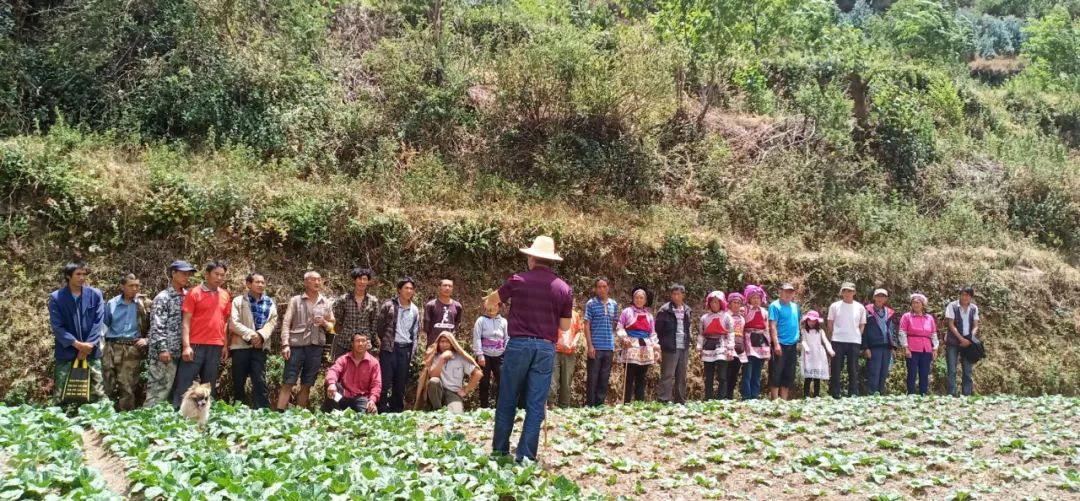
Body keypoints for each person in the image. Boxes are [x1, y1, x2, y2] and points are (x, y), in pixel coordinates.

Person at [486, 236, 573, 463]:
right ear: (551, 261)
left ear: (532, 258)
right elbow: (564, 326)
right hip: (545, 347)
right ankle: (525, 456)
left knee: (507, 398)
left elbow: (490, 302)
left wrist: (499, 303)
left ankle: (500, 450)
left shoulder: (518, 280)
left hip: (519, 344)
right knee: (536, 404)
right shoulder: (564, 289)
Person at [173, 261, 232, 409]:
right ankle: (176, 415)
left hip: (215, 346)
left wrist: (224, 345)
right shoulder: (194, 292)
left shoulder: (225, 295)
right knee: (185, 383)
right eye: (216, 274)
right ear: (207, 274)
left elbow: (224, 322)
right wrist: (186, 346)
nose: (219, 278)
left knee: (209, 385)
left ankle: (205, 418)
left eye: (222, 275)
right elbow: (185, 321)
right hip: (195, 345)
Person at [49, 261, 107, 405]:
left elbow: (98, 322)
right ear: (68, 276)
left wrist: (89, 345)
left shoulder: (95, 294)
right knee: (61, 394)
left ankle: (99, 423)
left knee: (97, 392)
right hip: (67, 351)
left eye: (84, 274)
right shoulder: (57, 297)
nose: (82, 277)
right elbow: (57, 326)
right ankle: (59, 423)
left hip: (91, 351)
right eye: (78, 274)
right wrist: (77, 345)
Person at [277, 271, 335, 411]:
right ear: (305, 282)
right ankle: (278, 414)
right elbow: (286, 323)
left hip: (315, 348)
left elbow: (332, 326)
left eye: (319, 280)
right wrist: (285, 344)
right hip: (296, 346)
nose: (317, 282)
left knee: (307, 384)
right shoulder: (296, 300)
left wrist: (324, 323)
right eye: (313, 279)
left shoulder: (326, 302)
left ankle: (299, 416)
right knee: (288, 382)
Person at [145, 260, 194, 408]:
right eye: (183, 273)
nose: (187, 277)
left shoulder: (188, 295)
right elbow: (156, 326)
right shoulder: (163, 297)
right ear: (173, 273)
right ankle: (147, 422)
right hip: (165, 353)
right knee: (158, 390)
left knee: (177, 391)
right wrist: (162, 349)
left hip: (181, 352)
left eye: (188, 274)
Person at [102, 273, 151, 410]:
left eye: (137, 286)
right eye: (131, 286)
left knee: (128, 386)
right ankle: (103, 414)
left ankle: (126, 417)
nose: (134, 289)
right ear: (122, 287)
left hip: (131, 348)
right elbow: (103, 328)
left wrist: (147, 339)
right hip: (111, 346)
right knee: (106, 383)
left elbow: (157, 325)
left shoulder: (144, 304)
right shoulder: (112, 303)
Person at [228, 272, 277, 409]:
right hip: (240, 346)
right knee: (238, 380)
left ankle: (262, 410)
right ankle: (238, 408)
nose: (261, 285)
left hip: (259, 347)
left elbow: (272, 322)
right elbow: (233, 323)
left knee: (260, 380)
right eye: (257, 282)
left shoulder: (269, 302)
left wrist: (261, 336)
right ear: (248, 284)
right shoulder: (239, 301)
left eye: (263, 282)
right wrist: (251, 335)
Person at [376, 277, 420, 414]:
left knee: (400, 382)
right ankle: (381, 408)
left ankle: (397, 410)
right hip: (389, 348)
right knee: (385, 380)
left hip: (405, 349)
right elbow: (379, 327)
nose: (409, 291)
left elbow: (415, 331)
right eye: (406, 288)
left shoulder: (415, 309)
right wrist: (383, 343)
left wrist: (412, 351)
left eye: (411, 288)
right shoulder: (388, 305)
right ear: (399, 290)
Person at [417, 331, 482, 413]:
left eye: (447, 342)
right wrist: (442, 358)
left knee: (456, 414)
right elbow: (433, 375)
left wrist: (465, 390)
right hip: (438, 392)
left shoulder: (460, 357)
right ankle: (437, 410)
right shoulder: (434, 357)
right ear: (438, 343)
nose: (444, 344)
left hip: (453, 393)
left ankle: (448, 410)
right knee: (434, 381)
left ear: (452, 343)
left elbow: (478, 373)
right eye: (442, 341)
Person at [616, 288, 661, 403]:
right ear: (633, 299)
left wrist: (655, 346)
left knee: (641, 377)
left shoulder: (649, 315)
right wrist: (624, 337)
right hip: (631, 346)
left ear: (645, 300)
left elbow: (652, 332)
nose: (639, 300)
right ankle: (626, 402)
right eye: (636, 297)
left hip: (645, 348)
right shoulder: (627, 312)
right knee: (629, 376)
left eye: (641, 298)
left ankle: (639, 403)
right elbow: (620, 327)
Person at [827, 282, 867, 398]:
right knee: (836, 368)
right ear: (841, 292)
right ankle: (835, 394)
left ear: (854, 292)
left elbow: (862, 324)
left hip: (854, 341)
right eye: (845, 291)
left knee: (853, 369)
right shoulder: (834, 306)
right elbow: (830, 322)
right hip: (838, 340)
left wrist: (857, 335)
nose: (847, 293)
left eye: (850, 291)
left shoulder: (860, 307)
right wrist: (832, 335)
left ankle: (853, 394)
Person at [324, 334, 381, 414]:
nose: (360, 343)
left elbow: (376, 384)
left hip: (362, 398)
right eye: (358, 341)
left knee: (372, 413)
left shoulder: (374, 363)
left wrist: (372, 400)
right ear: (352, 344)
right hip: (343, 397)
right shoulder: (344, 359)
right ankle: (335, 415)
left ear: (367, 344)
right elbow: (333, 371)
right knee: (332, 388)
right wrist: (331, 384)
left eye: (363, 341)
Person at [583, 277, 618, 407]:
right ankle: (590, 405)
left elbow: (615, 323)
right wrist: (590, 345)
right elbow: (586, 325)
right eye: (599, 287)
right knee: (593, 377)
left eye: (604, 286)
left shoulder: (613, 304)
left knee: (604, 378)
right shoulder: (591, 304)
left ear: (608, 288)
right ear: (595, 289)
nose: (602, 289)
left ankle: (599, 405)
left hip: (609, 347)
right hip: (595, 348)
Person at [331, 267, 379, 360]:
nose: (362, 282)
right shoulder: (344, 299)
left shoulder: (373, 301)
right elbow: (338, 320)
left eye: (365, 279)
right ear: (354, 280)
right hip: (345, 342)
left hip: (364, 343)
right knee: (342, 371)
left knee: (363, 372)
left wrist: (371, 340)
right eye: (359, 279)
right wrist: (344, 333)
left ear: (368, 282)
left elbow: (374, 323)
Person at [656, 284, 692, 404]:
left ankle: (680, 400)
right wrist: (662, 345)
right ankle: (663, 399)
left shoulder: (687, 310)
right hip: (670, 346)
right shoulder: (665, 310)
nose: (676, 297)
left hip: (683, 346)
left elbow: (687, 328)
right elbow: (658, 330)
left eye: (679, 294)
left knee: (682, 375)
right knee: (668, 374)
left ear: (683, 295)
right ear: (671, 295)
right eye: (674, 294)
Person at [898, 293, 938, 395]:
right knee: (912, 373)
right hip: (912, 348)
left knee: (924, 373)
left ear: (923, 304)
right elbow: (902, 332)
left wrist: (935, 348)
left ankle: (923, 394)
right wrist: (906, 347)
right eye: (913, 303)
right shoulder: (907, 316)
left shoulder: (929, 318)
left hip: (926, 349)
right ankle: (911, 394)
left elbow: (933, 333)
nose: (915, 305)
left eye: (918, 302)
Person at [944, 286, 980, 397]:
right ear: (960, 295)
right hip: (953, 341)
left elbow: (975, 326)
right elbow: (951, 324)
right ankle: (951, 394)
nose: (965, 297)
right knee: (952, 369)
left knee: (968, 370)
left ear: (971, 297)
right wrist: (961, 339)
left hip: (968, 343)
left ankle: (967, 395)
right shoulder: (952, 306)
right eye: (963, 294)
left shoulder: (974, 308)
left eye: (967, 295)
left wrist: (969, 339)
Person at [768, 283, 801, 400]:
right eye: (786, 291)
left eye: (790, 292)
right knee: (776, 372)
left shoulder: (795, 307)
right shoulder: (774, 306)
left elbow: (797, 323)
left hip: (792, 344)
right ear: (780, 291)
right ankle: (775, 400)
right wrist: (776, 344)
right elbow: (772, 326)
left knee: (789, 373)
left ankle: (784, 400)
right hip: (780, 343)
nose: (788, 294)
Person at [473, 300, 509, 408]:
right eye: (490, 306)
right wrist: (480, 354)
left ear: (499, 307)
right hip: (485, 355)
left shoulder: (503, 321)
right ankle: (484, 406)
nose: (492, 308)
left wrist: (505, 352)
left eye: (495, 305)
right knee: (484, 382)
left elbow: (507, 338)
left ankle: (500, 407)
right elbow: (477, 337)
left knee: (502, 381)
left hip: (500, 355)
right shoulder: (481, 320)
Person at [862, 288, 897, 395]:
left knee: (884, 372)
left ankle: (880, 392)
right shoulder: (867, 311)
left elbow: (892, 330)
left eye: (883, 296)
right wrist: (865, 347)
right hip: (873, 347)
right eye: (878, 296)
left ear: (886, 299)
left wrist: (893, 346)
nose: (880, 298)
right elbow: (863, 330)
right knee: (874, 371)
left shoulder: (889, 312)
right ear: (874, 297)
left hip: (886, 346)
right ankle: (872, 393)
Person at [698, 291, 731, 400]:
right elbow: (701, 334)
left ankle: (721, 398)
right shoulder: (704, 318)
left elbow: (731, 333)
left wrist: (730, 348)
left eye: (716, 302)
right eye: (712, 302)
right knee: (709, 375)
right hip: (708, 345)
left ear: (721, 303)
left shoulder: (726, 317)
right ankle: (708, 398)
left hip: (722, 344)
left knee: (722, 375)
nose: (714, 304)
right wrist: (699, 347)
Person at [740, 285, 770, 400]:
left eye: (758, 297)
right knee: (747, 371)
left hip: (761, 341)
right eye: (753, 298)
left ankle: (755, 395)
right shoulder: (745, 310)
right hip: (749, 341)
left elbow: (766, 329)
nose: (756, 300)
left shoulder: (764, 312)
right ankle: (746, 396)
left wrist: (769, 347)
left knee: (757, 372)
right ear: (749, 299)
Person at [549, 308, 582, 408]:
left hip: (569, 352)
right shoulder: (555, 312)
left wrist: (575, 342)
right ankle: (550, 403)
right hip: (555, 350)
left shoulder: (575, 315)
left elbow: (578, 331)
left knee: (567, 379)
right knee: (553, 378)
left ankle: (564, 405)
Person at [800, 310, 833, 398]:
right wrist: (806, 348)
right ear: (806, 321)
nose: (812, 322)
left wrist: (830, 350)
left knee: (817, 378)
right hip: (808, 355)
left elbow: (826, 341)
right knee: (808, 377)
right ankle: (806, 396)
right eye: (809, 320)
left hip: (818, 355)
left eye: (814, 320)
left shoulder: (821, 331)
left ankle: (816, 396)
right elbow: (803, 341)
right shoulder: (804, 331)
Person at [424, 279, 464, 347]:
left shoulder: (458, 306)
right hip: (433, 344)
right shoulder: (431, 305)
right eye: (445, 285)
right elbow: (426, 327)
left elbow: (457, 325)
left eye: (450, 286)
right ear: (439, 288)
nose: (447, 288)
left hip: (450, 345)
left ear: (452, 289)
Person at [723, 292, 746, 400]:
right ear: (730, 304)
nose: (736, 305)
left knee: (734, 373)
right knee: (726, 373)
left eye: (738, 303)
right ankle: (723, 396)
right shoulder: (725, 316)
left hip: (739, 348)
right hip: (727, 347)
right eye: (734, 302)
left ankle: (730, 396)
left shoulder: (742, 318)